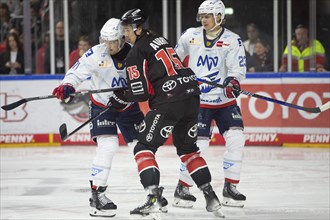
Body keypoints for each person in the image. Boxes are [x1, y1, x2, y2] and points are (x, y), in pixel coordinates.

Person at [111, 8, 225, 219]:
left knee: (143, 147)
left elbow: (140, 92)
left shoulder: (135, 53)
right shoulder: (159, 39)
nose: (124, 35)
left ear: (137, 28)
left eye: (127, 30)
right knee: (188, 150)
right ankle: (211, 197)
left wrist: (120, 98)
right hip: (191, 96)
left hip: (170, 101)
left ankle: (153, 199)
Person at [52, 18, 145, 218]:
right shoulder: (96, 53)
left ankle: (151, 190)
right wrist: (67, 86)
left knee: (142, 146)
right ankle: (97, 194)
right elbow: (76, 73)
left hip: (129, 107)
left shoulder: (135, 52)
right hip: (103, 106)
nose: (109, 46)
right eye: (105, 41)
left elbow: (145, 81)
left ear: (121, 39)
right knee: (108, 146)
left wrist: (130, 94)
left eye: (113, 41)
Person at [174, 0, 247, 208]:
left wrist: (232, 81)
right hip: (198, 102)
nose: (204, 20)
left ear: (220, 17)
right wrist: (180, 75)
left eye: (208, 16)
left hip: (225, 101)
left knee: (236, 139)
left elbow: (238, 69)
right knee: (199, 146)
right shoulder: (191, 35)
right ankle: (182, 188)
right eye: (202, 16)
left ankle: (230, 188)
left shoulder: (233, 40)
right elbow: (174, 60)